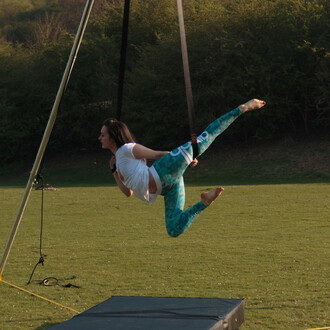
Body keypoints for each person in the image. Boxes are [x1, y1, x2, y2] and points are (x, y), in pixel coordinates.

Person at [99, 99, 266, 237]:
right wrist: (113, 170)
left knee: (205, 139)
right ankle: (205, 201)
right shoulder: (118, 162)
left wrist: (182, 159)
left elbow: (157, 155)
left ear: (113, 137)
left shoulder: (126, 150)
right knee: (174, 229)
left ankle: (242, 109)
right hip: (168, 186)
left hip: (163, 172)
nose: (100, 138)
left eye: (103, 135)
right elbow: (128, 192)